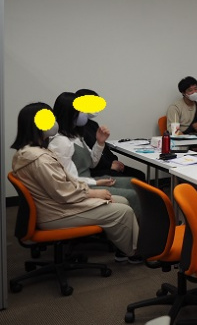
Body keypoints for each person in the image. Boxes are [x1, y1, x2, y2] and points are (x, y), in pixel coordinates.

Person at [11, 103, 139, 260]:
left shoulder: (32, 151)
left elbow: (66, 181)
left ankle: (125, 247)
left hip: (57, 204)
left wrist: (92, 189)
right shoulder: (39, 159)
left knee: (123, 201)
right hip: (56, 212)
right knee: (124, 212)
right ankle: (133, 252)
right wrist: (94, 193)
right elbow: (63, 192)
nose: (54, 123)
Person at [48, 92, 142, 221]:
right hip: (82, 188)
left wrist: (99, 142)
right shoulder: (61, 142)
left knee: (134, 183)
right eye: (80, 110)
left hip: (88, 181)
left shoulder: (75, 135)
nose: (84, 113)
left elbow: (91, 163)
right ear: (69, 113)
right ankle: (138, 227)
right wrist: (97, 182)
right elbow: (68, 181)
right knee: (132, 195)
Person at [75, 88, 145, 181]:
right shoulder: (76, 129)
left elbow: (103, 148)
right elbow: (88, 157)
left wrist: (113, 160)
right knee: (133, 179)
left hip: (106, 164)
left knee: (139, 175)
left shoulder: (93, 124)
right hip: (94, 170)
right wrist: (109, 165)